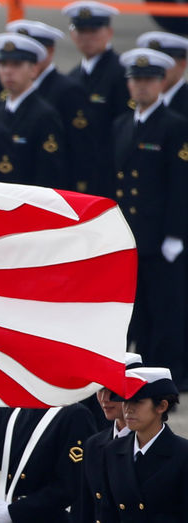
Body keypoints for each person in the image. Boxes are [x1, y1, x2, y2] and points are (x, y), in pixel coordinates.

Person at [113, 47, 188, 386]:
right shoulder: (121, 124)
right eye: (136, 80)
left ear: (161, 82)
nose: (141, 87)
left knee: (164, 313)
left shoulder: (175, 126)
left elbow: (180, 184)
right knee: (136, 313)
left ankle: (163, 379)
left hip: (160, 238)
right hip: (130, 236)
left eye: (148, 80)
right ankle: (137, 373)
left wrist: (175, 235)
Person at [6, 19, 98, 194]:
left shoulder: (67, 91)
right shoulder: (13, 92)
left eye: (33, 52)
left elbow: (79, 148)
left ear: (49, 51)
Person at [100, 367, 188, 521]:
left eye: (137, 402)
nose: (127, 409)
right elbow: (108, 512)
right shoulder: (112, 450)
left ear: (162, 406)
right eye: (125, 401)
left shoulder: (182, 454)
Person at [62, 0, 128, 197]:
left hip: (109, 173)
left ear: (109, 32)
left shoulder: (121, 73)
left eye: (94, 30)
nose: (87, 37)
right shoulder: (72, 76)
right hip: (78, 171)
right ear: (73, 35)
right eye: (82, 31)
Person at [0, 32, 67, 188]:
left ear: (33, 70)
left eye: (16, 64)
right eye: (3, 64)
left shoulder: (44, 115)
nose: (8, 71)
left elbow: (49, 173)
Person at [74, 353, 142, 523]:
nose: (105, 399)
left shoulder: (148, 443)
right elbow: (84, 508)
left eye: (113, 390)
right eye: (100, 389)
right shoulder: (94, 444)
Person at [137, 31, 188, 118]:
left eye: (164, 64)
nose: (156, 70)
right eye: (152, 65)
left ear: (182, 64)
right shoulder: (138, 99)